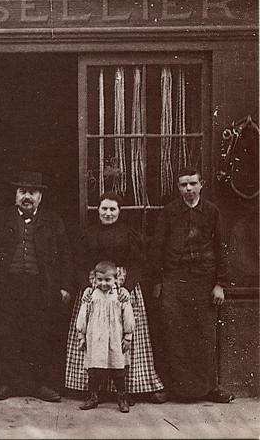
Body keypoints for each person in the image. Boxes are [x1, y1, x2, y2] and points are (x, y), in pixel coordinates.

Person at [65, 192, 167, 404]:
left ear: (119, 212)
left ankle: (126, 388)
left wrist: (127, 289)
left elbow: (139, 264)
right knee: (95, 335)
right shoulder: (88, 233)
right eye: (104, 209)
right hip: (95, 287)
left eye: (113, 209)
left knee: (123, 338)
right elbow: (78, 263)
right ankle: (92, 389)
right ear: (98, 210)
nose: (108, 213)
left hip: (122, 288)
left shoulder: (129, 234)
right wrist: (86, 287)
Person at [0, 171, 71, 402]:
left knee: (38, 335)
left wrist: (65, 286)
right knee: (7, 335)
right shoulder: (1, 218)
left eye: (32, 192)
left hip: (41, 286)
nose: (26, 196)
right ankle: (8, 383)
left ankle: (39, 385)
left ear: (40, 197)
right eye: (22, 192)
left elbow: (66, 256)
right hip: (8, 286)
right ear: (15, 195)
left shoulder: (53, 221)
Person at [150, 167, 234, 403]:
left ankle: (209, 388)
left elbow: (222, 249)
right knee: (173, 335)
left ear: (201, 184)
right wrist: (158, 281)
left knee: (204, 335)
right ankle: (174, 388)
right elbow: (157, 247)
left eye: (192, 184)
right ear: (178, 187)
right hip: (174, 280)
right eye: (183, 185)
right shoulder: (169, 212)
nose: (188, 189)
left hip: (204, 281)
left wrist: (220, 284)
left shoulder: (211, 212)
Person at [75, 260, 135, 413]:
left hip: (114, 338)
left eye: (108, 280)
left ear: (116, 279)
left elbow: (128, 316)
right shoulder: (90, 295)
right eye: (99, 280)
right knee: (94, 370)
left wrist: (128, 336)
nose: (103, 283)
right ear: (94, 279)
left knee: (118, 369)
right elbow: (83, 315)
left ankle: (122, 397)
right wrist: (81, 335)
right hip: (95, 339)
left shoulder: (121, 296)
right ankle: (93, 397)